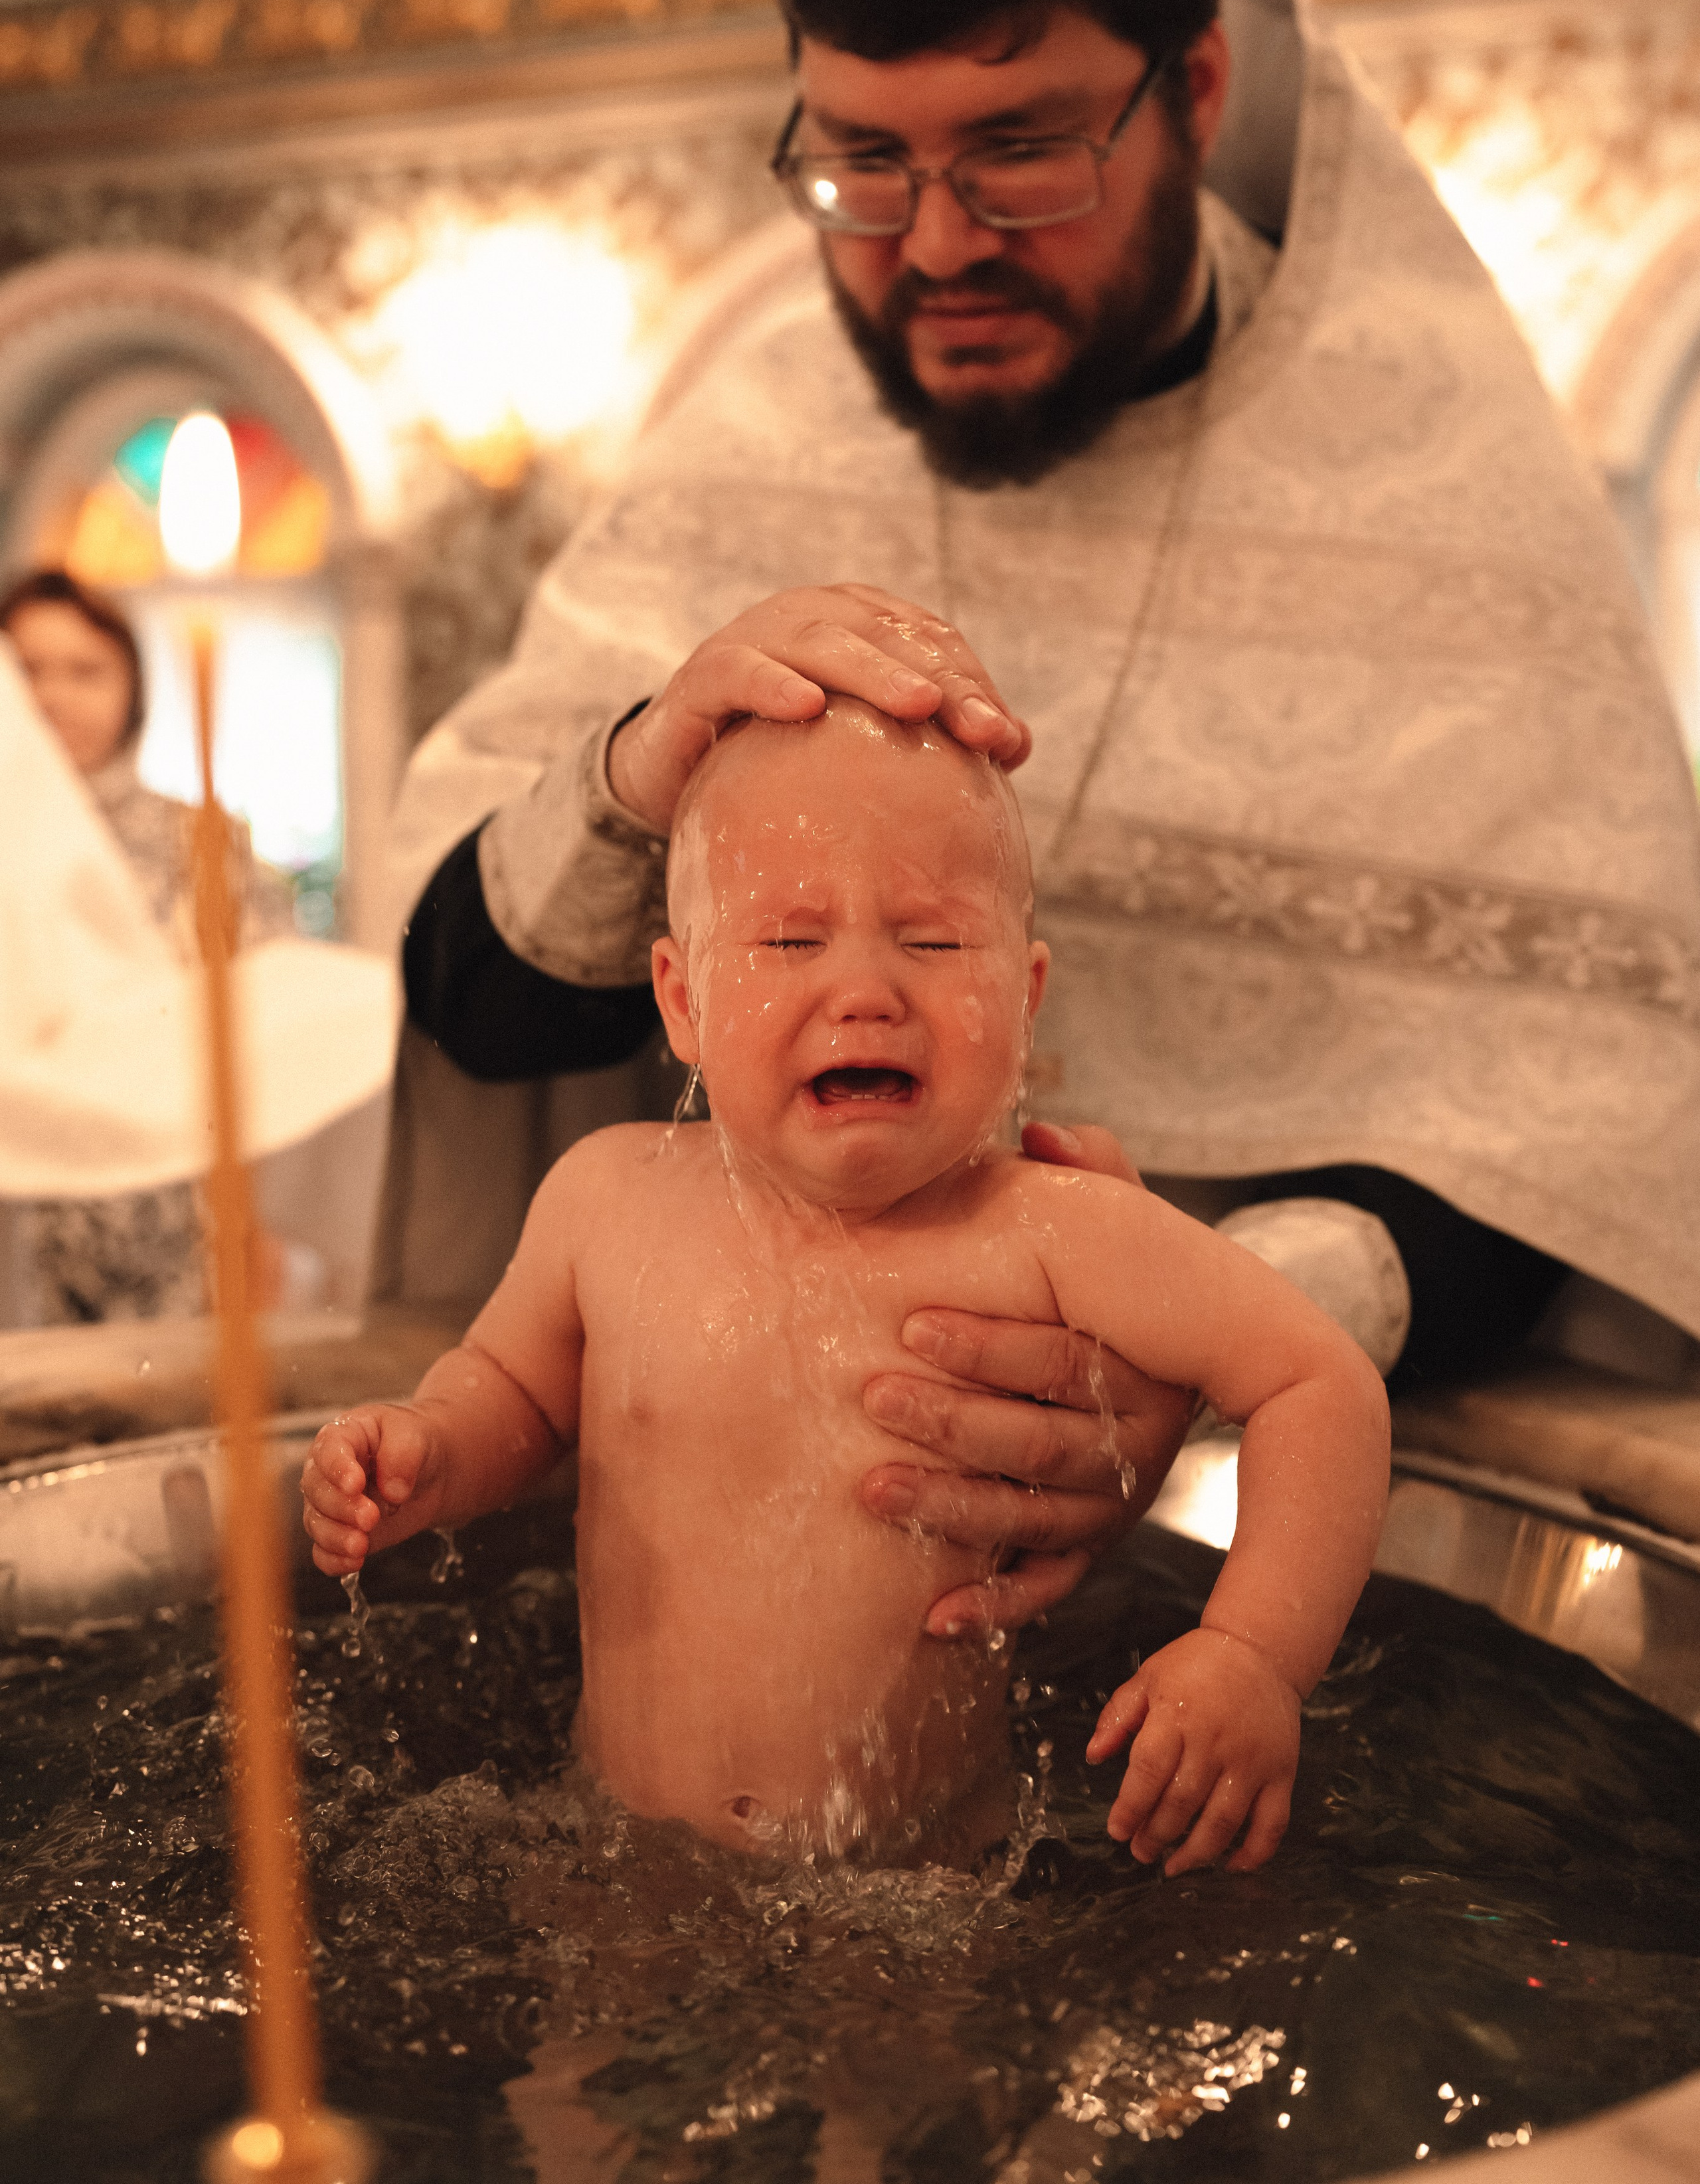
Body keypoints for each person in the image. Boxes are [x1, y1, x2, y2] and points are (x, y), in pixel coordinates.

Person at [382, 0, 1700, 1617]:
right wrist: (634, 769)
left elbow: (1567, 1135)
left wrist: (1202, 1325)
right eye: (862, 164)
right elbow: (474, 1005)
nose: (932, 248)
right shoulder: (754, 443)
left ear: (1194, 87)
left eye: (1019, 157)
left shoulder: (1443, 473)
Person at [307, 705, 1389, 1866]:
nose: (867, 989)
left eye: (931, 943)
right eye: (788, 943)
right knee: (581, 2052)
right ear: (684, 1001)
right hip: (623, 1857)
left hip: (923, 1882)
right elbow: (514, 1395)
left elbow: (1318, 1380)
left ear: (1023, 1000)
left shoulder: (1058, 1233)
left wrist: (1253, 1656)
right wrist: (427, 1451)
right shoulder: (606, 1199)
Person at [0, 567, 293, 1320]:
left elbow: (260, 1034)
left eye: (85, 671)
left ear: (133, 688)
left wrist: (263, 1220)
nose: (52, 696)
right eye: (27, 670)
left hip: (168, 1207)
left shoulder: (199, 840)